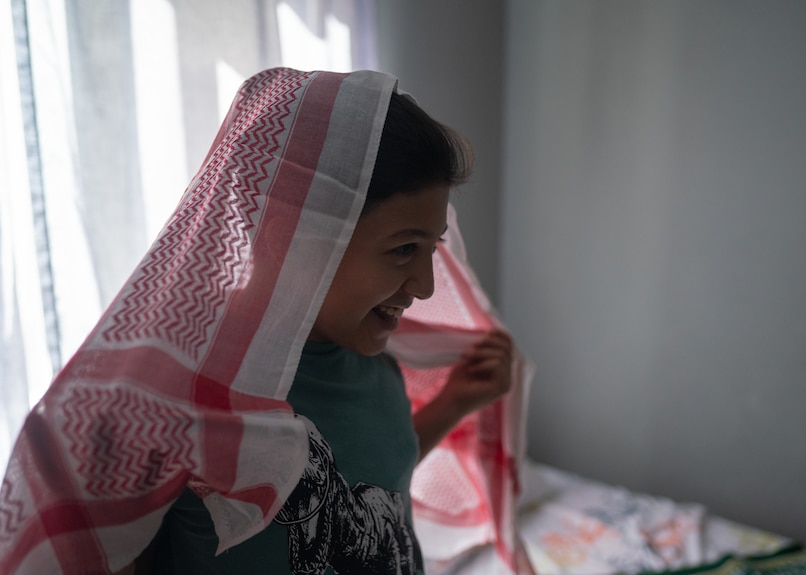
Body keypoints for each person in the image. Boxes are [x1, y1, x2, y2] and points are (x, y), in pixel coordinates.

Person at [0, 68, 519, 575]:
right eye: (403, 248)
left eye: (432, 249)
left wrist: (454, 404)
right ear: (291, 239)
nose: (425, 287)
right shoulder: (176, 402)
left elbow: (374, 471)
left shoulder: (375, 363)